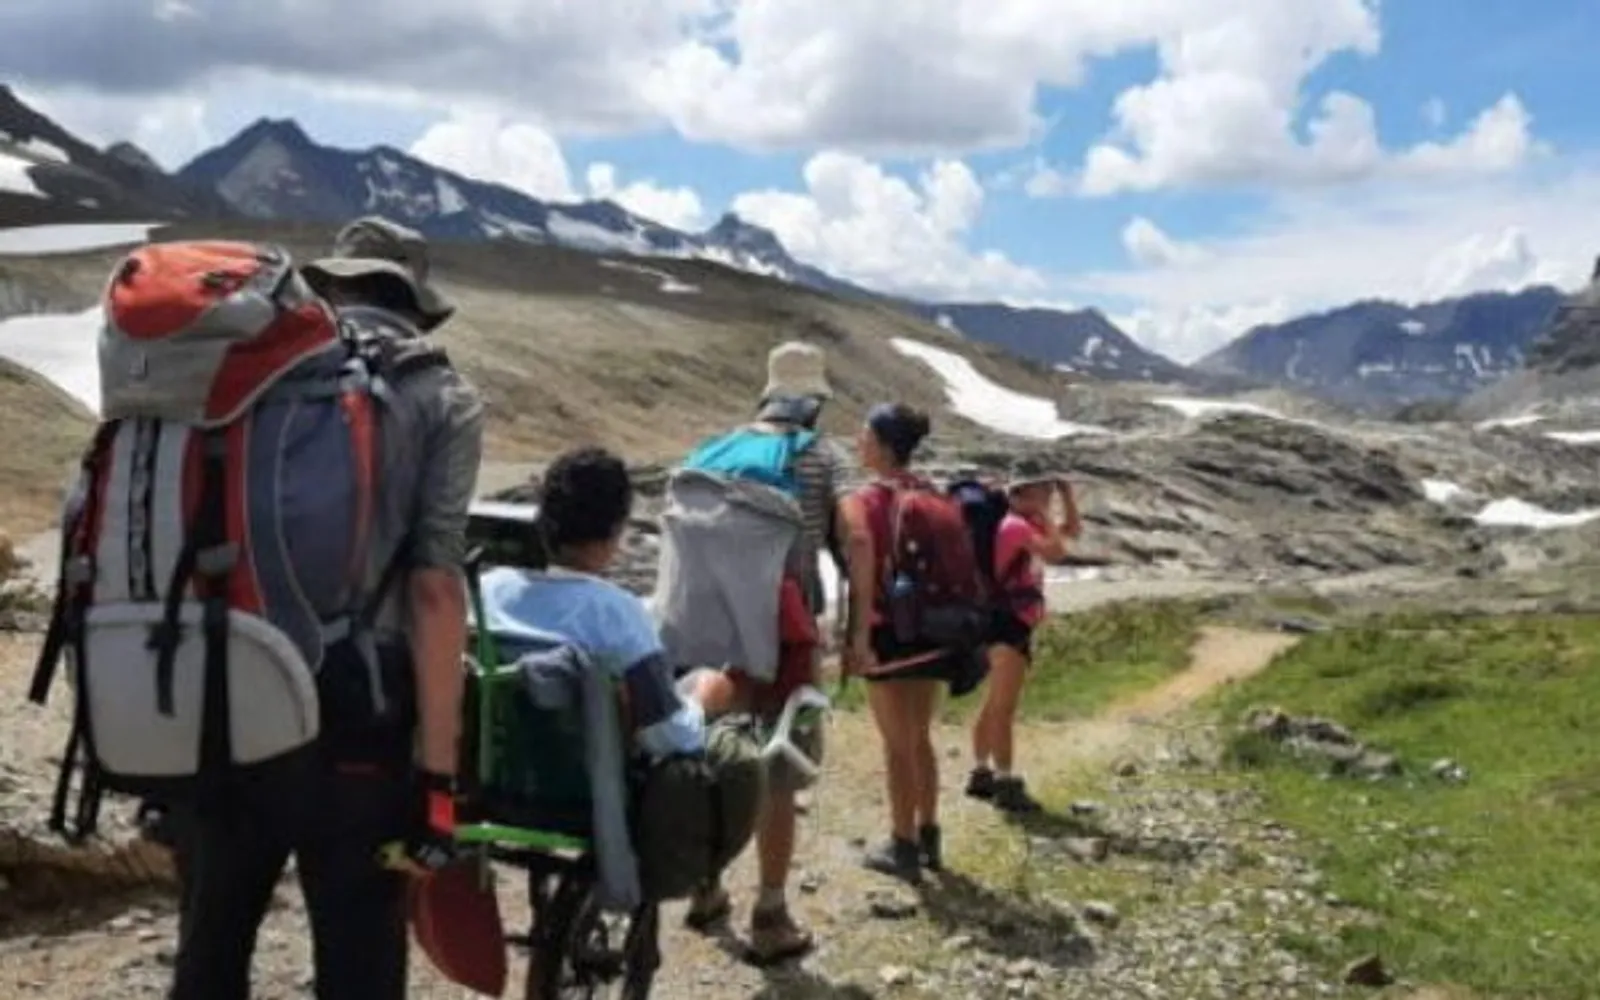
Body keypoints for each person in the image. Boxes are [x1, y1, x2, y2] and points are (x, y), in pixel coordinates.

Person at [168, 216, 485, 1000]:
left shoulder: (245, 376)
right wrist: (438, 777)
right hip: (359, 723)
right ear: (412, 299)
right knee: (359, 959)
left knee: (210, 950)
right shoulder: (439, 393)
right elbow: (436, 590)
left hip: (225, 700)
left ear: (329, 287)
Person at [681, 341, 844, 963]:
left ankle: (704, 887)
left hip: (712, 630)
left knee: (713, 753)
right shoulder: (819, 458)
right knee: (780, 769)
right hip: (782, 632)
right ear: (814, 403)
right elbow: (849, 534)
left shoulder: (715, 450)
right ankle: (770, 913)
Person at [476, 446, 708, 759]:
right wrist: (703, 702)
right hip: (596, 793)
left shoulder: (484, 594)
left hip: (494, 776)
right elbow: (670, 738)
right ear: (616, 530)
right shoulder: (620, 615)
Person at [837, 402, 945, 884]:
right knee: (920, 737)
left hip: (887, 629)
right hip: (934, 629)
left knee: (895, 744)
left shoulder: (864, 500)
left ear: (882, 446)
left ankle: (901, 847)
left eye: (864, 436)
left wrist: (857, 637)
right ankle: (929, 835)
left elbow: (861, 558)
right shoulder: (933, 493)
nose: (857, 442)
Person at [968, 477, 1081, 814]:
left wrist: (1067, 495)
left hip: (1012, 621)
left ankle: (981, 772)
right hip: (1008, 622)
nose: (1048, 497)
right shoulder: (1015, 526)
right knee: (1004, 707)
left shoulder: (1026, 523)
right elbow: (1057, 551)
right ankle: (1005, 782)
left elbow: (1071, 532)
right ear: (1022, 495)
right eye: (1041, 491)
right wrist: (1044, 513)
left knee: (995, 702)